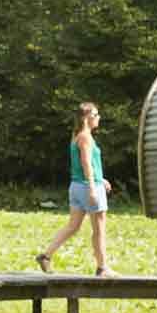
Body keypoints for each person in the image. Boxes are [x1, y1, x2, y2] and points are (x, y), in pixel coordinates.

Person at [35, 101, 111, 276]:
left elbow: (86, 164)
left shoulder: (77, 135)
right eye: (95, 115)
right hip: (87, 187)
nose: (98, 118)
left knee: (73, 226)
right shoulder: (85, 137)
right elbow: (85, 164)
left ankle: (45, 256)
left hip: (76, 186)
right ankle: (103, 268)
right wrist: (93, 187)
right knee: (99, 230)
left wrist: (102, 179)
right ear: (86, 118)